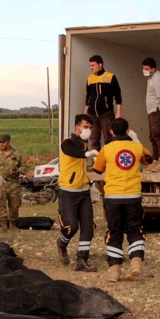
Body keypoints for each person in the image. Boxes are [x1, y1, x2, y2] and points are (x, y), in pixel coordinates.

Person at [93, 118, 152, 282]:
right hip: (133, 197)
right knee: (135, 230)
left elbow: (98, 169)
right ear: (128, 131)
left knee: (115, 232)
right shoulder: (137, 147)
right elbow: (149, 160)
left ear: (111, 131)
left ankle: (115, 270)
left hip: (113, 198)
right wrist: (138, 143)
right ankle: (136, 262)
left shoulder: (107, 148)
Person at [56, 114, 99, 272]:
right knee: (71, 226)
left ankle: (82, 259)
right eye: (86, 127)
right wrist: (87, 154)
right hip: (68, 191)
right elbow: (70, 152)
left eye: (90, 127)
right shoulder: (67, 143)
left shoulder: (84, 144)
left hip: (84, 191)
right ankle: (61, 243)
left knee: (89, 227)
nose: (88, 130)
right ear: (77, 127)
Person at [84, 55, 122, 151]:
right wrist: (85, 113)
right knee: (94, 138)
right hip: (92, 113)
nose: (91, 67)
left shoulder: (110, 77)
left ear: (100, 65)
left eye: (93, 65)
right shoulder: (90, 78)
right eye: (90, 65)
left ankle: (109, 162)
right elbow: (88, 97)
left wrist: (118, 113)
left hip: (106, 113)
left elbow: (118, 96)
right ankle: (96, 162)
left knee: (108, 137)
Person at [0, 134, 26, 231]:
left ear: (8, 142)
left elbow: (24, 167)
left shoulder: (16, 154)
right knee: (0, 204)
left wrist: (17, 170)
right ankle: (3, 224)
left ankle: (13, 224)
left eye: (3, 142)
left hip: (13, 184)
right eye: (0, 142)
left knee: (14, 204)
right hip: (0, 184)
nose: (1, 144)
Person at [141, 57, 160, 173]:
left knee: (158, 136)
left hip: (157, 110)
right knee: (152, 136)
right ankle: (155, 161)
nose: (144, 70)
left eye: (147, 68)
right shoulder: (151, 77)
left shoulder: (158, 78)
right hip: (151, 111)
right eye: (143, 68)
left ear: (153, 68)